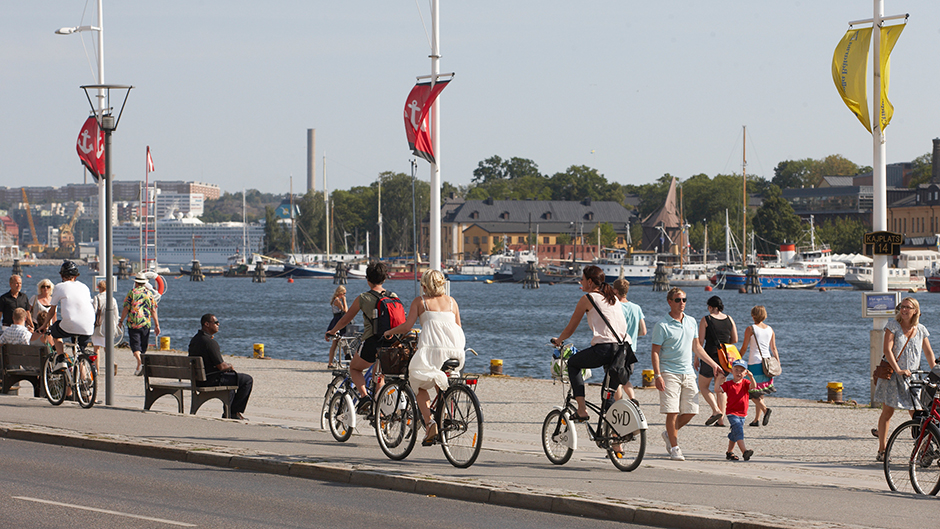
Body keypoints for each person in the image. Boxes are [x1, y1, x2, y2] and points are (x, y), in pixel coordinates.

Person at [384, 269, 465, 446]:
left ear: (425, 286)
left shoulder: (420, 302)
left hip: (432, 350)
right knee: (440, 378)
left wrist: (390, 331)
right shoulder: (452, 302)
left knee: (417, 382)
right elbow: (458, 327)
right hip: (456, 350)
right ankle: (444, 414)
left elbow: (407, 327)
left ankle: (430, 424)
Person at [550, 265, 632, 425]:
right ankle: (615, 443)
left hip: (606, 349)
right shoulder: (613, 298)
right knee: (608, 395)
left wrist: (559, 341)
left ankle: (581, 409)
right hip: (624, 352)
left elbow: (570, 328)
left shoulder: (588, 299)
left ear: (589, 281)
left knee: (573, 364)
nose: (580, 282)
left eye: (582, 279)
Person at [651, 287, 721, 461]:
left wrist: (713, 363)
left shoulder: (691, 321)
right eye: (677, 300)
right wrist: (657, 375)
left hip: (688, 372)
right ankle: (675, 447)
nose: (681, 303)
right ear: (670, 302)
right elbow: (655, 352)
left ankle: (669, 434)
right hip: (669, 372)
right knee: (672, 411)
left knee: (691, 411)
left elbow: (696, 347)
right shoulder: (662, 325)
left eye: (684, 300)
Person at [326, 262, 396, 409]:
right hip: (391, 343)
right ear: (384, 279)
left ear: (368, 279)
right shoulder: (393, 296)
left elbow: (345, 319)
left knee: (355, 368)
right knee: (380, 376)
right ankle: (379, 411)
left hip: (372, 341)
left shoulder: (364, 297)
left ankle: (364, 397)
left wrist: (332, 331)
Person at [873, 297, 935, 462]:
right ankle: (882, 449)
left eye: (908, 307)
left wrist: (935, 371)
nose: (904, 310)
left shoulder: (920, 329)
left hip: (911, 377)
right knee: (888, 412)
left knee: (918, 414)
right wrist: (898, 369)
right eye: (902, 307)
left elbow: (928, 353)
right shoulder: (893, 326)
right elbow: (887, 349)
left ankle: (924, 448)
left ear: (915, 310)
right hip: (893, 375)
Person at [188, 313, 253, 420]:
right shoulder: (210, 342)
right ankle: (233, 412)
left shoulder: (195, 340)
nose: (218, 324)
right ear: (207, 324)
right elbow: (221, 366)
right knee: (247, 380)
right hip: (210, 379)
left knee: (231, 379)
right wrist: (230, 366)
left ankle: (229, 412)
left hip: (198, 379)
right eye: (216, 322)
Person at [39, 261, 95, 358]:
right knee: (80, 352)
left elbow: (52, 311)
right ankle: (83, 369)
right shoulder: (84, 287)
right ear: (76, 276)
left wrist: (44, 326)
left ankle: (61, 359)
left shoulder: (59, 287)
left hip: (70, 325)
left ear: (62, 276)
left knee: (55, 330)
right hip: (89, 327)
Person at [697, 296, 738, 427]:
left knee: (703, 386)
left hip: (709, 357)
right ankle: (721, 420)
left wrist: (696, 357)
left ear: (710, 307)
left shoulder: (706, 319)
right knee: (720, 389)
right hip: (725, 358)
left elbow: (700, 342)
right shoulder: (729, 319)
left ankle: (716, 410)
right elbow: (735, 339)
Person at [741, 305, 780, 427]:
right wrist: (777, 362)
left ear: (753, 315)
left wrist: (736, 360)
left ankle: (765, 409)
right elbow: (773, 348)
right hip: (766, 363)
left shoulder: (751, 329)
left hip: (754, 363)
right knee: (760, 392)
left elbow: (744, 347)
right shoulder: (770, 329)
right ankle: (756, 420)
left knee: (750, 391)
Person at [119, 271, 160, 376]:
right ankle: (140, 366)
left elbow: (126, 308)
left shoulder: (132, 293)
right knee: (143, 346)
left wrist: (120, 321)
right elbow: (153, 310)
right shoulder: (149, 293)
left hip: (133, 324)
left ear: (136, 283)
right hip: (146, 324)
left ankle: (139, 363)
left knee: (135, 346)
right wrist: (157, 325)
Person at [612, 278, 646, 402]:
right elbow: (643, 331)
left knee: (616, 380)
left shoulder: (615, 306)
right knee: (625, 378)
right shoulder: (636, 308)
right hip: (632, 349)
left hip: (617, 348)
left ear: (615, 290)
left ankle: (619, 404)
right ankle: (633, 398)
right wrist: (632, 335)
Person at [718, 359, 756, 461]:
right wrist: (719, 379)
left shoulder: (745, 383)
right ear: (732, 371)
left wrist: (751, 377)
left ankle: (729, 452)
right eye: (736, 370)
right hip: (732, 413)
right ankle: (745, 452)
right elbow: (718, 390)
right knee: (739, 430)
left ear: (745, 373)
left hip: (743, 414)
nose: (738, 373)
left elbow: (754, 387)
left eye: (741, 371)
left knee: (734, 434)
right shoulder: (729, 384)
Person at [90, 280, 119, 372]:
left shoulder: (97, 298)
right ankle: (112, 363)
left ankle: (97, 370)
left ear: (99, 288)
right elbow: (116, 314)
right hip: (109, 326)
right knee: (107, 348)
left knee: (96, 349)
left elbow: (94, 311)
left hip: (99, 326)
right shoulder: (112, 299)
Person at [326, 286, 348, 369]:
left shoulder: (334, 300)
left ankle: (330, 363)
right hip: (339, 322)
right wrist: (344, 301)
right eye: (344, 293)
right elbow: (345, 311)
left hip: (336, 320)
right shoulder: (337, 301)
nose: (344, 295)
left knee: (336, 344)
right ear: (340, 293)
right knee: (343, 343)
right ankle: (347, 362)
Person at [28, 279, 54, 345]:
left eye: (48, 286)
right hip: (36, 325)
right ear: (40, 288)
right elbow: (27, 312)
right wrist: (30, 325)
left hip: (48, 327)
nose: (45, 288)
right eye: (43, 286)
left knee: (48, 343)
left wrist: (55, 329)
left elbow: (54, 316)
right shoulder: (34, 298)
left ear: (50, 288)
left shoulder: (53, 300)